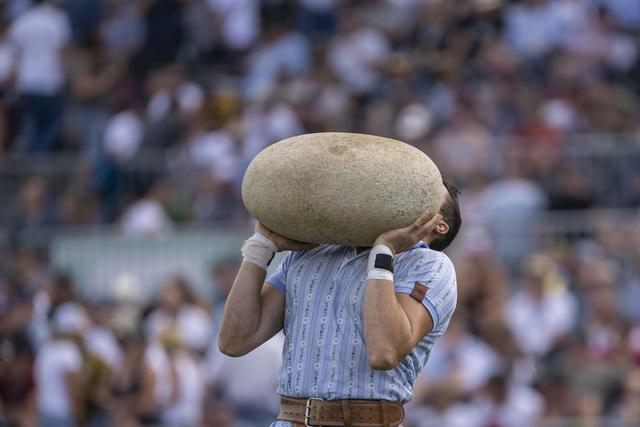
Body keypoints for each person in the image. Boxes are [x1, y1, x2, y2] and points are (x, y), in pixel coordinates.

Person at [219, 177, 462, 426]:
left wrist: (383, 252)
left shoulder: (431, 265)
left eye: (426, 192)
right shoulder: (310, 254)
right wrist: (261, 247)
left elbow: (384, 352)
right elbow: (234, 340)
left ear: (439, 226)